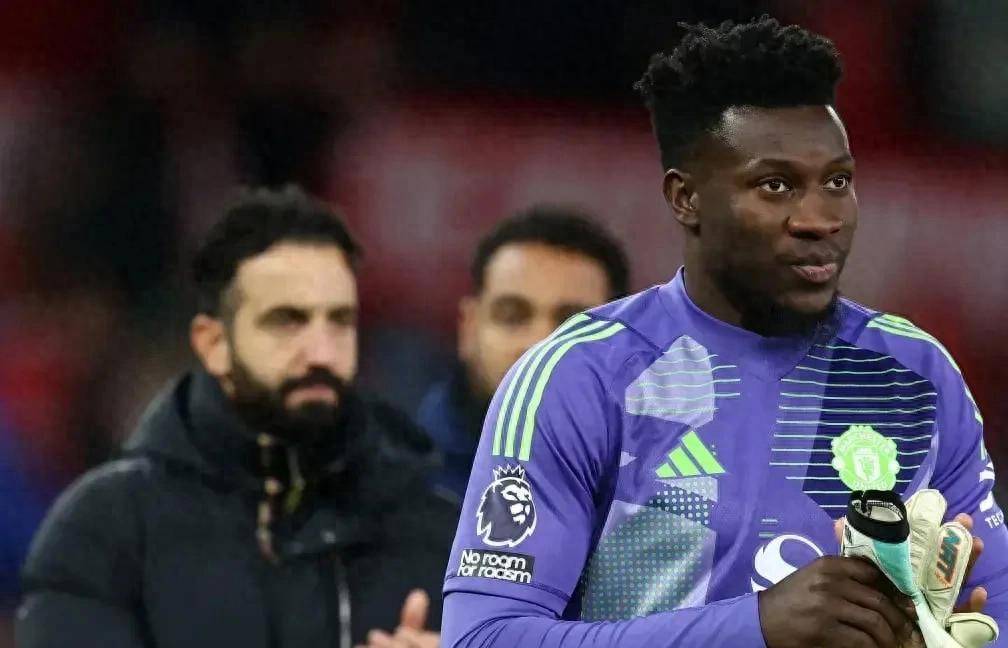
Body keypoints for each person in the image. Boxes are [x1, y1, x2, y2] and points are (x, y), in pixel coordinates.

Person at [440, 16, 1007, 648]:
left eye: (837, 182)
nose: (818, 218)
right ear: (685, 198)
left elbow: (997, 611)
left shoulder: (914, 375)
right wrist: (756, 626)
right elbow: (483, 636)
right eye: (775, 185)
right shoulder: (582, 378)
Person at [18, 186, 456, 648]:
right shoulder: (107, 529)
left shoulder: (439, 535)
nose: (322, 352)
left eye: (340, 321)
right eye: (287, 321)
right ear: (214, 344)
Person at [417, 206, 630, 499]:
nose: (538, 344)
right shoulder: (397, 487)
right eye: (512, 316)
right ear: (469, 329)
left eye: (573, 324)